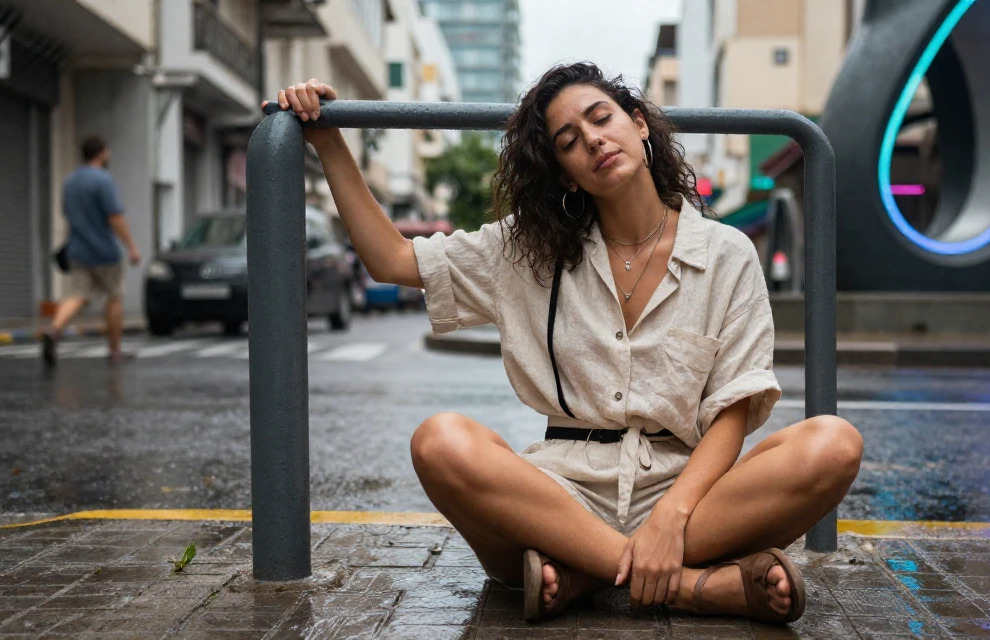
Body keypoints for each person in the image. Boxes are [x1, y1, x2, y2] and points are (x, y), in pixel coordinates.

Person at [267, 63, 862, 624]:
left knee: (832, 443)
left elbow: (732, 410)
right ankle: (687, 587)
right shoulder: (529, 250)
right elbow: (391, 259)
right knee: (441, 441)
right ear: (565, 172)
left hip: (687, 499)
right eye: (568, 140)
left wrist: (672, 517)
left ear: (637, 122)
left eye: (601, 118)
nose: (593, 141)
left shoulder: (727, 253)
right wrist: (329, 143)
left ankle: (583, 579)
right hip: (557, 501)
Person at [42, 136, 141, 366]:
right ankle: (115, 350)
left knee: (78, 294)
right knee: (114, 297)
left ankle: (54, 329)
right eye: (107, 152)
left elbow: (67, 214)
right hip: (105, 251)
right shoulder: (103, 180)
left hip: (78, 249)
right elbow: (115, 217)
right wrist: (132, 247)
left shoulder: (70, 182)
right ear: (101, 153)